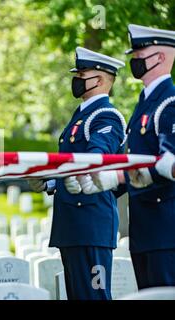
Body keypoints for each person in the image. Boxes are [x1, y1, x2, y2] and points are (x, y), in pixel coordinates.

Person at [28, 47, 126, 300]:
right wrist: (51, 182)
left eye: (83, 74)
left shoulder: (106, 116)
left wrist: (55, 178)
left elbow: (94, 159)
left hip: (91, 223)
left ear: (101, 80)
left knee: (93, 296)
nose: (77, 79)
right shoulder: (82, 115)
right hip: (74, 224)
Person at [86, 24, 175, 289]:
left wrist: (118, 176)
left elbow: (170, 164)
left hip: (166, 231)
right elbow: (130, 159)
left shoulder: (169, 102)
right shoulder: (146, 102)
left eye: (139, 54)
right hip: (144, 230)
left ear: (159, 58)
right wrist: (99, 182)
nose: (133, 60)